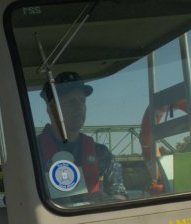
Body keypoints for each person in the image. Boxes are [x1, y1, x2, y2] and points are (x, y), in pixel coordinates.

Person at [38, 71, 127, 200]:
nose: (79, 106)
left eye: (82, 101)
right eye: (71, 102)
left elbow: (120, 194)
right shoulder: (31, 154)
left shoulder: (101, 153)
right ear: (51, 109)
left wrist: (106, 200)